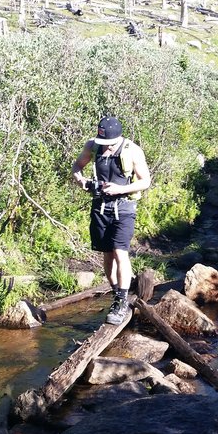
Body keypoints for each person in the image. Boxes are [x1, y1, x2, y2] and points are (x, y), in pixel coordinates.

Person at [71, 116, 151, 325]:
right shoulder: (93, 146)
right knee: (107, 255)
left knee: (120, 252)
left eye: (108, 143)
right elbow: (77, 165)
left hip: (124, 208)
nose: (104, 147)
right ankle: (117, 292)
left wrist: (120, 189)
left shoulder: (132, 151)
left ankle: (122, 300)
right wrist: (82, 181)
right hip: (100, 207)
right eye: (102, 142)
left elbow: (146, 181)